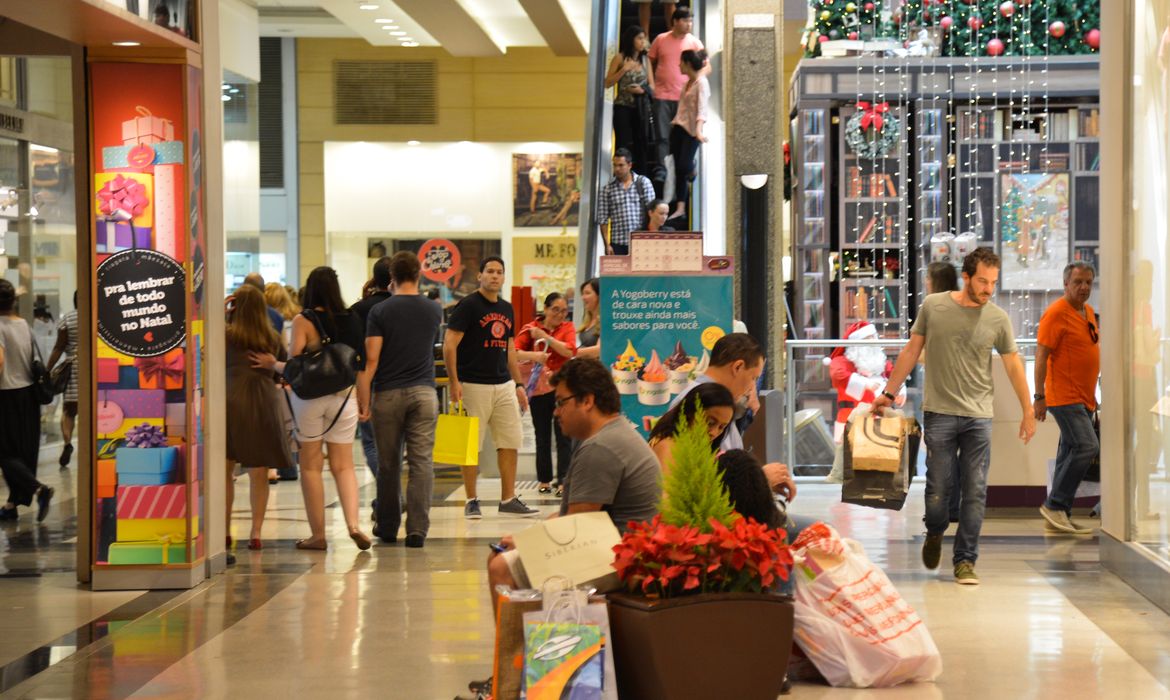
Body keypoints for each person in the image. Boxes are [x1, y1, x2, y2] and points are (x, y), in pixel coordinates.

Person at [872, 247, 1036, 586]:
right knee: (938, 490)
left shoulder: (998, 319)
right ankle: (934, 531)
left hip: (979, 417)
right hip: (940, 413)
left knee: (975, 491)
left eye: (993, 282)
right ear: (966, 277)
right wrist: (888, 393)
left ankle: (965, 561)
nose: (989, 288)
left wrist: (1028, 409)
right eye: (982, 281)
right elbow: (911, 350)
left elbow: (1013, 365)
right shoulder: (934, 306)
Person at [485, 358, 661, 608]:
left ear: (587, 401)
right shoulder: (614, 434)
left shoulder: (600, 448)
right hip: (624, 553)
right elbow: (573, 515)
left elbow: (574, 528)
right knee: (506, 552)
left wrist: (526, 542)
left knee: (502, 566)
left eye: (561, 402)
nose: (556, 412)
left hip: (621, 562)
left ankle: (518, 647)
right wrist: (526, 537)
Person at [250, 266, 372, 551]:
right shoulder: (353, 319)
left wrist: (271, 364)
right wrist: (364, 400)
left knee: (311, 467)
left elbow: (295, 365)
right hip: (345, 398)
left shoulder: (306, 320)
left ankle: (318, 536)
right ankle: (353, 525)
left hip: (310, 400)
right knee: (344, 466)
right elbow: (361, 366)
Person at [443, 256, 539, 519]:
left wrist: (518, 383)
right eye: (490, 271)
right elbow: (449, 344)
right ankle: (471, 499)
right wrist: (454, 382)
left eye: (499, 272)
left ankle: (508, 498)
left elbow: (509, 349)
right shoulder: (468, 306)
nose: (495, 276)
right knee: (470, 445)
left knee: (510, 441)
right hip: (472, 384)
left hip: (503, 384)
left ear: (504, 277)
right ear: (480, 276)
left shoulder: (507, 309)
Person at [357, 252, 442, 548]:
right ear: (419, 274)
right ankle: (418, 529)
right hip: (424, 393)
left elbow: (371, 361)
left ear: (392, 277)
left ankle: (389, 526)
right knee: (421, 462)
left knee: (389, 464)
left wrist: (363, 400)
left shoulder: (380, 312)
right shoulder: (434, 310)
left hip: (388, 394)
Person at [673, 333, 797, 501]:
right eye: (753, 378)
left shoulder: (717, 402)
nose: (752, 387)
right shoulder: (695, 401)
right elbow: (698, 477)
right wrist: (760, 478)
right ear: (737, 367)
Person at [225, 285, 293, 552]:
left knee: (225, 471)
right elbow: (282, 374)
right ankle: (255, 532)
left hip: (229, 402)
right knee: (259, 473)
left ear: (235, 306)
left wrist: (221, 309)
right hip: (263, 403)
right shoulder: (272, 337)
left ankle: (224, 531)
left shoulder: (225, 335)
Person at [1034, 262, 1100, 535]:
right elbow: (1041, 356)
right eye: (1078, 282)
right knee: (1087, 446)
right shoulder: (1056, 313)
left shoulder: (1087, 312)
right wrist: (1039, 396)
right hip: (1064, 395)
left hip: (1084, 397)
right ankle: (1055, 504)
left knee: (1069, 452)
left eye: (1088, 282)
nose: (1084, 287)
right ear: (1066, 285)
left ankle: (1061, 514)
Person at [824, 320, 903, 483]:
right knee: (847, 457)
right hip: (850, 416)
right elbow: (838, 375)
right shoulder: (843, 361)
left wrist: (900, 390)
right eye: (868, 339)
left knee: (877, 458)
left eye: (874, 337)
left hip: (879, 418)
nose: (873, 342)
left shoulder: (881, 362)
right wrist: (864, 383)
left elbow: (894, 375)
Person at [0, 279, 52, 521]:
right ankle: (11, 505)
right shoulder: (24, 325)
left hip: (6, 395)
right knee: (21, 452)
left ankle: (38, 489)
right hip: (28, 396)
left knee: (4, 453)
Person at [515, 292, 577, 496]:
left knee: (564, 435)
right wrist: (534, 355)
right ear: (546, 308)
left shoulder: (567, 328)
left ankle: (564, 481)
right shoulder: (530, 329)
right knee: (541, 436)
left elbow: (569, 351)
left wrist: (545, 337)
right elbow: (513, 353)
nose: (559, 314)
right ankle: (544, 480)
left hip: (563, 389)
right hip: (539, 389)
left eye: (564, 311)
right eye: (555, 309)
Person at [349, 256, 394, 485]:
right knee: (395, 446)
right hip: (399, 380)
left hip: (368, 381)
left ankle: (389, 494)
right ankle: (389, 496)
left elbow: (352, 351)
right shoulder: (403, 307)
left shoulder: (358, 309)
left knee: (371, 443)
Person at [924, 262, 963, 522]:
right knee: (957, 459)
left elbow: (920, 353)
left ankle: (937, 513)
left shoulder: (932, 308)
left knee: (938, 458)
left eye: (928, 278)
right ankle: (954, 510)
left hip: (939, 394)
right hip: (964, 392)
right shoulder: (966, 308)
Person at [648, 7, 704, 164]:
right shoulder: (660, 39)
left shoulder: (694, 43)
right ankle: (663, 169)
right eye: (685, 20)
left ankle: (685, 167)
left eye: (691, 21)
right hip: (661, 96)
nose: (689, 24)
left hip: (685, 98)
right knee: (662, 137)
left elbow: (707, 66)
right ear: (675, 21)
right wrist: (651, 83)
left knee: (684, 136)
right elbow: (649, 60)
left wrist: (696, 82)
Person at [647, 382, 735, 475]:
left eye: (722, 427)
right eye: (710, 423)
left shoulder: (697, 447)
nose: (714, 432)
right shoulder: (669, 448)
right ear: (689, 413)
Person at [606, 25, 656, 173]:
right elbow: (607, 82)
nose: (643, 42)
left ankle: (641, 177)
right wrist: (624, 69)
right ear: (631, 39)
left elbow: (652, 85)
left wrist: (642, 90)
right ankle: (622, 175)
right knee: (623, 143)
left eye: (644, 38)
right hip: (623, 107)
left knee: (642, 143)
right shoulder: (620, 58)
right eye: (639, 38)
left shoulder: (645, 60)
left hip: (641, 108)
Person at [668, 49, 710, 221]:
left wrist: (699, 131)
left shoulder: (701, 83)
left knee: (685, 166)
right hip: (679, 128)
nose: (679, 65)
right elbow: (683, 108)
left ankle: (692, 168)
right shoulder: (687, 84)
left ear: (687, 64)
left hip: (692, 132)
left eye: (681, 62)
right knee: (678, 169)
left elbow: (702, 109)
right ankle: (680, 208)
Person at [596, 148, 656, 256]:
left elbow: (653, 213)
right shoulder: (608, 189)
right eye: (615, 165)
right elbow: (603, 219)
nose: (617, 169)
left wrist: (652, 238)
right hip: (618, 244)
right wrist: (607, 245)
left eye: (621, 165)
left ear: (629, 165)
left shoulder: (643, 183)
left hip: (641, 241)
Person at [47, 292, 79, 469]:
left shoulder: (67, 318)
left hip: (73, 365)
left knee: (68, 410)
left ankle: (67, 442)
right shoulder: (98, 316)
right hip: (95, 366)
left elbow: (59, 346)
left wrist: (47, 369)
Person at [575, 278, 602, 361]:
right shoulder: (588, 320)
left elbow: (599, 350)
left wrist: (573, 352)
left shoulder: (605, 321)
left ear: (598, 296)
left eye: (587, 293)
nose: (583, 297)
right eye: (582, 294)